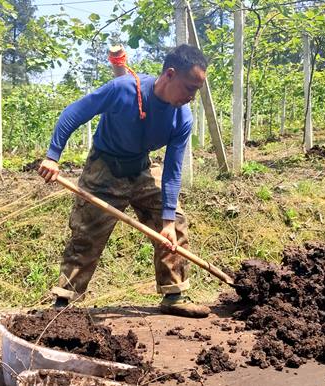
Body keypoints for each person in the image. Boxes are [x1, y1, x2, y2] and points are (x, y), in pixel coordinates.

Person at [38, 44, 210, 318]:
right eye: (189, 87)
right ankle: (63, 302)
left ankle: (173, 295)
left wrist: (165, 223)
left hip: (140, 168)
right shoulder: (124, 89)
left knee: (175, 223)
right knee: (87, 232)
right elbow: (74, 112)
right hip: (103, 168)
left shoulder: (182, 118)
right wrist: (52, 156)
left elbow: (172, 171)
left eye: (196, 91)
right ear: (170, 74)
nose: (191, 96)